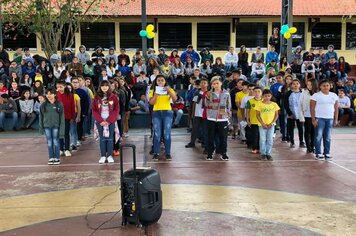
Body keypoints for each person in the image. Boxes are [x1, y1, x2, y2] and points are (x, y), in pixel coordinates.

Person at [149, 74, 177, 161]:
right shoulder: (152, 90)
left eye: (162, 80)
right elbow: (151, 103)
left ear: (165, 81)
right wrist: (156, 94)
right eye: (158, 80)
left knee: (167, 133)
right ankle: (156, 153)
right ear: (156, 82)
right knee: (157, 133)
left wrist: (170, 91)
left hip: (167, 112)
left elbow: (175, 99)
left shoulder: (169, 89)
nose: (160, 82)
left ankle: (168, 153)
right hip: (156, 112)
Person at [310, 79, 339, 160]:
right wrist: (313, 119)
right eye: (324, 85)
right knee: (318, 136)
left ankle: (327, 153)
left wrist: (336, 119)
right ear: (320, 87)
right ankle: (318, 153)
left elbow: (336, 109)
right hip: (319, 118)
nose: (326, 87)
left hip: (330, 119)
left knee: (328, 137)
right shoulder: (315, 95)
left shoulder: (334, 95)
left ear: (330, 86)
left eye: (327, 85)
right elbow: (312, 108)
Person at [92, 80, 119, 164]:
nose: (104, 87)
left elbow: (116, 109)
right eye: (102, 86)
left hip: (110, 121)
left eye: (106, 86)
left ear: (109, 87)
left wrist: (109, 120)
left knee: (110, 138)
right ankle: (103, 156)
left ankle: (110, 155)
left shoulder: (114, 97)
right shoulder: (96, 97)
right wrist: (100, 121)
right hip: (100, 121)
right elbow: (94, 110)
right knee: (102, 138)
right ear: (100, 87)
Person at [205, 77, 231, 161]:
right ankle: (209, 153)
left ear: (221, 84)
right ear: (211, 85)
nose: (216, 85)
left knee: (223, 137)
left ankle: (224, 153)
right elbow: (206, 104)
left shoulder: (226, 93)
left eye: (217, 83)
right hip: (211, 118)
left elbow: (228, 105)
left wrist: (227, 115)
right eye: (214, 83)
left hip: (222, 119)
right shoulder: (209, 94)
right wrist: (208, 99)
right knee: (210, 137)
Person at [39, 88, 65, 165]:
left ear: (54, 94)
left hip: (56, 126)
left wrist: (62, 130)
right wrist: (41, 127)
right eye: (47, 94)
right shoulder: (43, 105)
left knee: (56, 142)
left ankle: (57, 158)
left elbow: (62, 117)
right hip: (47, 126)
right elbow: (41, 117)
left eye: (50, 94)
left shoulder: (59, 104)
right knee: (49, 142)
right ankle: (51, 157)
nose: (49, 95)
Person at [255, 89, 280, 160]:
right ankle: (263, 153)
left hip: (271, 125)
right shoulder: (259, 104)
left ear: (271, 96)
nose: (267, 97)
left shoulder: (274, 104)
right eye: (265, 96)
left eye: (269, 96)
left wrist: (272, 123)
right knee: (262, 139)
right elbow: (258, 115)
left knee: (270, 139)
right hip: (262, 125)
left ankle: (268, 153)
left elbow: (276, 115)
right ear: (262, 96)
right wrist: (262, 123)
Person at [185, 78, 209, 151]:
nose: (203, 84)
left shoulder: (209, 93)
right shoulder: (196, 92)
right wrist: (192, 113)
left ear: (207, 84)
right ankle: (192, 142)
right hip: (197, 113)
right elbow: (193, 102)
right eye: (201, 83)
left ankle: (205, 143)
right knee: (195, 128)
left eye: (204, 83)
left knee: (205, 129)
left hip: (206, 113)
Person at [56, 80, 76, 157]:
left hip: (67, 117)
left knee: (66, 133)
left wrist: (72, 117)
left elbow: (72, 107)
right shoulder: (55, 95)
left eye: (61, 87)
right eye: (57, 87)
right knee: (60, 134)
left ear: (64, 86)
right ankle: (61, 149)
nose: (59, 88)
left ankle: (67, 149)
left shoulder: (70, 95)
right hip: (57, 118)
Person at [298, 79, 318, 153]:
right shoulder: (304, 92)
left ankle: (313, 145)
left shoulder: (318, 93)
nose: (309, 86)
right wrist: (301, 116)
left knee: (314, 132)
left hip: (316, 115)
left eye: (310, 84)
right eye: (308, 84)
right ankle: (308, 146)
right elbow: (300, 104)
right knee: (307, 131)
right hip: (306, 114)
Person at [285, 79, 305, 148]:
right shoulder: (288, 93)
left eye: (297, 83)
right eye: (294, 84)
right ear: (291, 85)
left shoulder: (303, 92)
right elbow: (286, 104)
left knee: (300, 128)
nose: (296, 85)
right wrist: (289, 113)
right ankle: (292, 142)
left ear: (300, 85)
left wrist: (303, 112)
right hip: (291, 113)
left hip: (300, 113)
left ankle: (301, 142)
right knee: (291, 128)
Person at [245, 87, 263, 154]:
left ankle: (261, 148)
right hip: (253, 121)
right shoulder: (250, 101)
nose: (257, 93)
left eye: (259, 91)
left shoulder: (264, 101)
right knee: (255, 136)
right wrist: (247, 120)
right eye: (255, 91)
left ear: (261, 93)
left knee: (261, 136)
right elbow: (247, 112)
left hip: (262, 122)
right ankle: (255, 148)